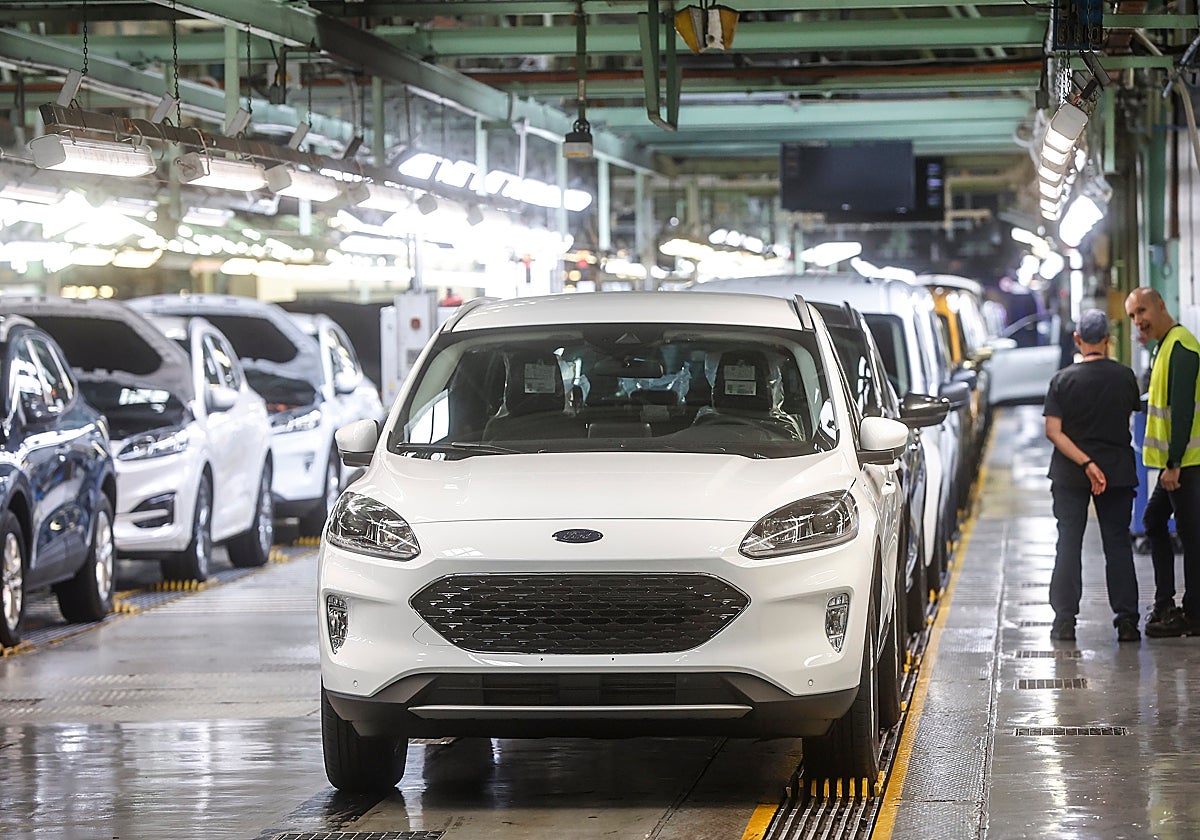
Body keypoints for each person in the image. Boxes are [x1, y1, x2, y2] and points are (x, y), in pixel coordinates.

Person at [1043, 308, 1142, 642]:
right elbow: (1125, 414)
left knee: (1068, 543)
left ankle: (1064, 622)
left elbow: (1053, 431)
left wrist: (1085, 463)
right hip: (1116, 471)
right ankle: (1127, 621)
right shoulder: (1125, 376)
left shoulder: (1062, 380)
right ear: (1108, 339)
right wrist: (1098, 462)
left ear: (1077, 339)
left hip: (1071, 474)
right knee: (1117, 544)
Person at [1125, 287, 1200, 637]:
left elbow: (1183, 412)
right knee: (1155, 521)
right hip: (1177, 463)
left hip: (1186, 463)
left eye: (1142, 311)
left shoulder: (1181, 347)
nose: (1139, 320)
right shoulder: (1163, 347)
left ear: (1161, 305)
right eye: (1132, 316)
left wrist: (1173, 464)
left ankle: (1193, 613)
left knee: (1190, 536)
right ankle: (1167, 601)